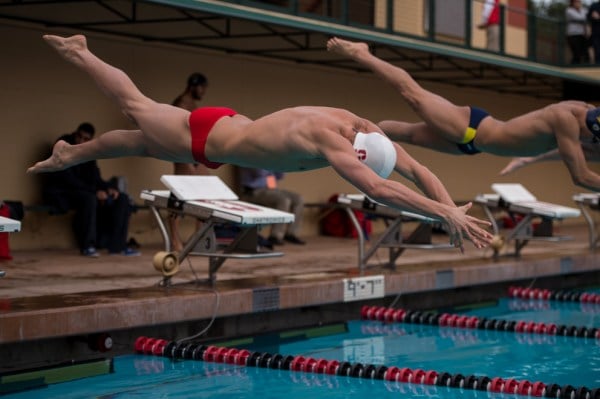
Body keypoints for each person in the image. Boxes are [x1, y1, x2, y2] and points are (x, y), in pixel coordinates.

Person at [28, 34, 494, 252]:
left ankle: (72, 154)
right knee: (135, 107)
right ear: (357, 151)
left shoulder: (363, 124)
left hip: (226, 134)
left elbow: (418, 171)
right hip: (212, 133)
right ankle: (82, 51)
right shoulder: (328, 140)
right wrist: (442, 213)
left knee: (139, 143)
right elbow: (381, 189)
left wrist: (451, 208)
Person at [326, 37, 600, 193]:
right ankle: (362, 54)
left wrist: (526, 160)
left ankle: (349, 134)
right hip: (470, 127)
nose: (588, 141)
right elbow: (581, 175)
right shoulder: (566, 118)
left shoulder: (582, 121)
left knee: (397, 132)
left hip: (469, 146)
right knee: (412, 93)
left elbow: (576, 153)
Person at [41, 122, 140, 257]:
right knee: (90, 199)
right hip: (62, 193)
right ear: (75, 134)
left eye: (86, 139)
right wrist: (95, 192)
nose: (81, 141)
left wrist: (108, 189)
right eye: (79, 137)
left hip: (83, 191)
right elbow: (68, 180)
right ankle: (88, 246)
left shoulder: (88, 152)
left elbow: (95, 177)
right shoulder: (63, 148)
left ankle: (118, 246)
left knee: (121, 198)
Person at [169, 72, 210, 251]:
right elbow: (177, 134)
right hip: (184, 154)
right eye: (202, 88)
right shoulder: (181, 104)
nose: (203, 92)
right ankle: (174, 240)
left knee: (204, 193)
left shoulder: (192, 104)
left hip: (195, 154)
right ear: (194, 86)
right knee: (179, 197)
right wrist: (185, 160)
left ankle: (197, 237)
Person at [239, 168, 305, 246]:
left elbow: (280, 176)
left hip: (271, 188)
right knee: (284, 200)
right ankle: (276, 236)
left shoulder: (272, 161)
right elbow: (260, 173)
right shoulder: (253, 157)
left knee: (299, 199)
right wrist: (271, 162)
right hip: (253, 191)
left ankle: (291, 234)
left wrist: (280, 164)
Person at [566, 0, 590, 65]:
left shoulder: (584, 10)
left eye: (579, 1)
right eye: (576, 2)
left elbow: (588, 17)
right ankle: (572, 68)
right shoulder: (569, 10)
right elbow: (580, 18)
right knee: (576, 53)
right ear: (572, 3)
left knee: (585, 53)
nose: (578, 3)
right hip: (573, 35)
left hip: (582, 34)